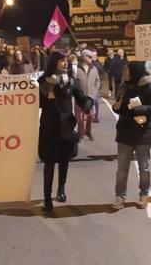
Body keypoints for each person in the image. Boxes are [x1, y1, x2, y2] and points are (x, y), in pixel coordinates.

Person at [38, 52, 93, 213]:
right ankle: (47, 199)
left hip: (67, 127)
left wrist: (87, 104)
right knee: (49, 163)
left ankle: (61, 190)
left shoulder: (71, 82)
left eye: (66, 61)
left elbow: (82, 98)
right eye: (62, 60)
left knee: (64, 161)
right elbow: (36, 103)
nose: (65, 63)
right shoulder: (43, 81)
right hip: (49, 127)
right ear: (54, 62)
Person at [112, 61, 151, 210]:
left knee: (144, 168)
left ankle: (144, 194)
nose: (124, 72)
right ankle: (120, 197)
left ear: (134, 71)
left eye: (126, 69)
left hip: (142, 133)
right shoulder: (123, 86)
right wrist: (116, 107)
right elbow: (119, 108)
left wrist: (141, 109)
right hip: (125, 132)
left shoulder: (147, 86)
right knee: (122, 169)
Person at [75, 49, 100, 141]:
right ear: (83, 57)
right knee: (80, 117)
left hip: (90, 97)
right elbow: (74, 81)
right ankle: (81, 134)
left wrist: (94, 91)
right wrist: (77, 92)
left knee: (91, 116)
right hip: (79, 97)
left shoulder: (94, 68)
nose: (91, 58)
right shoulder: (76, 68)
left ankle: (88, 131)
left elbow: (97, 81)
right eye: (89, 57)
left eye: (91, 57)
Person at [90, 50, 105, 123]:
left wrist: (99, 81)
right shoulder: (88, 63)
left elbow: (102, 74)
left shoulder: (99, 64)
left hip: (96, 85)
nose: (93, 56)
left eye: (94, 55)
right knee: (90, 100)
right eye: (92, 55)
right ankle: (91, 114)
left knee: (96, 101)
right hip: (89, 85)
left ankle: (96, 116)